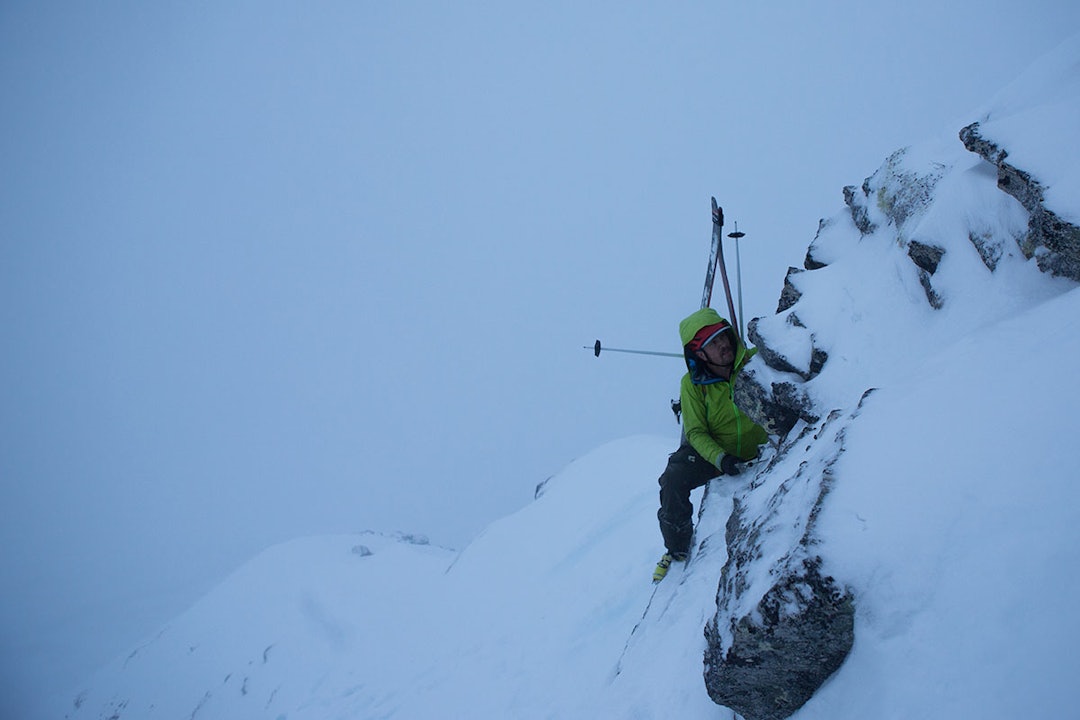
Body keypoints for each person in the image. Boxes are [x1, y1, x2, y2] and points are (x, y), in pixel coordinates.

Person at [653, 307, 769, 582]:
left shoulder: (755, 361)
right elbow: (695, 431)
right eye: (712, 343)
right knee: (673, 478)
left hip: (766, 447)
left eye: (722, 337)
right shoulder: (693, 385)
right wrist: (721, 458)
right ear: (699, 353)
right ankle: (677, 547)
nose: (723, 345)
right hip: (720, 453)